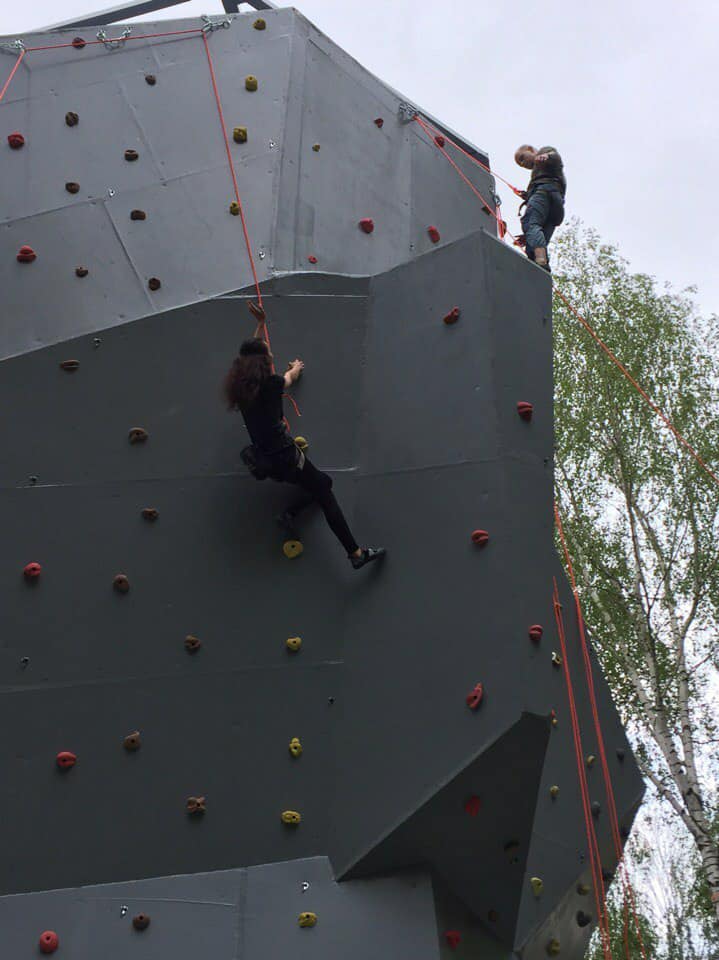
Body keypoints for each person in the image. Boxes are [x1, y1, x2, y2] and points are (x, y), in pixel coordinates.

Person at [224, 332, 386, 570]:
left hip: (266, 461)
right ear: (264, 363)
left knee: (319, 484)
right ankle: (355, 553)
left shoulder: (242, 389)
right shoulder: (273, 385)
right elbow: (289, 378)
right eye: (269, 353)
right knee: (325, 489)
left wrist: (259, 323)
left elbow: (251, 354)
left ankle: (290, 514)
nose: (272, 353)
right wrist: (296, 366)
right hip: (287, 457)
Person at [514, 144, 566, 271]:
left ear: (530, 150)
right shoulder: (543, 172)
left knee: (530, 223)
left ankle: (541, 261)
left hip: (544, 192)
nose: (523, 164)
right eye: (520, 164)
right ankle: (540, 267)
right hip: (555, 206)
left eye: (522, 158)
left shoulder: (544, 154)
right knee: (537, 235)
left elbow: (554, 157)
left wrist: (546, 156)